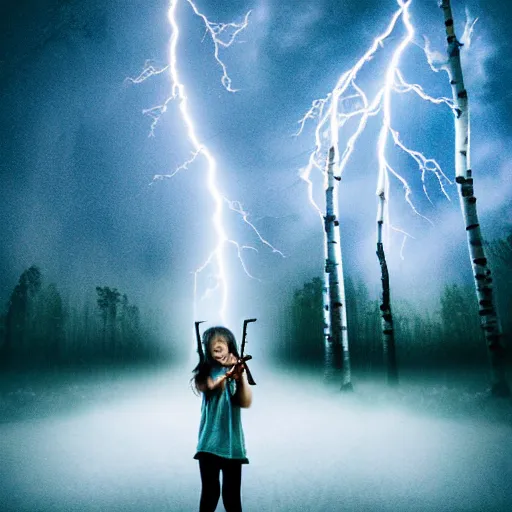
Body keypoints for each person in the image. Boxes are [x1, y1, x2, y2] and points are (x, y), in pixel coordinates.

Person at [191, 326, 253, 512]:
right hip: (209, 445)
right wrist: (227, 374)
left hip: (233, 446)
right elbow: (208, 387)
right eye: (213, 345)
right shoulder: (205, 373)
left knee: (232, 497)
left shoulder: (236, 371)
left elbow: (244, 401)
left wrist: (239, 376)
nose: (217, 347)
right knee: (210, 494)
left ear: (230, 346)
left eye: (221, 343)